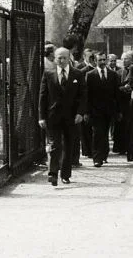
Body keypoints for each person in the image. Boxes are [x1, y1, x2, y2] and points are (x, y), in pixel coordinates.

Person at [38, 47, 86, 185]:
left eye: (65, 57)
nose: (62, 60)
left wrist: (80, 113)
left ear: (69, 58)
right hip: (53, 116)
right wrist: (41, 116)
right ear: (55, 58)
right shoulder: (48, 73)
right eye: (59, 57)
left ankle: (65, 174)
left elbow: (83, 95)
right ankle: (53, 173)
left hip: (71, 117)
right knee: (55, 145)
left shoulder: (77, 74)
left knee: (68, 145)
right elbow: (43, 96)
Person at [85, 53, 121, 167]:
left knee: (105, 133)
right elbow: (87, 95)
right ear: (95, 61)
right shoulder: (90, 75)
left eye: (104, 60)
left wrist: (118, 111)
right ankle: (97, 158)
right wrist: (86, 111)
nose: (102, 62)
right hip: (95, 111)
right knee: (97, 133)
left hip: (109, 110)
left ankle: (104, 155)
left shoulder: (113, 75)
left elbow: (117, 94)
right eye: (99, 60)